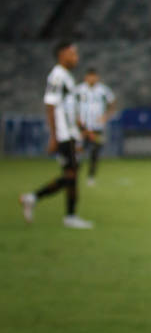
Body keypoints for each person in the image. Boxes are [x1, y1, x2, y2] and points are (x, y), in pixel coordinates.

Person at [19, 40, 94, 229]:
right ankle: (36, 199)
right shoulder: (57, 76)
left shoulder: (67, 77)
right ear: (62, 54)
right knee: (71, 175)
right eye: (73, 54)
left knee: (72, 174)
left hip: (71, 134)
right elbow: (50, 105)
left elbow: (69, 108)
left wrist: (83, 128)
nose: (76, 58)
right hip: (64, 135)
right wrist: (53, 136)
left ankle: (65, 213)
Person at [75, 68, 117, 186]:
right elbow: (72, 105)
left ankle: (91, 177)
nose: (92, 78)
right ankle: (74, 175)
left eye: (94, 76)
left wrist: (106, 116)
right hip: (82, 127)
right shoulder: (79, 90)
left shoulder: (103, 90)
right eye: (90, 76)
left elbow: (112, 102)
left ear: (97, 77)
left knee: (95, 152)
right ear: (86, 77)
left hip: (97, 128)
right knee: (78, 152)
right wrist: (76, 119)